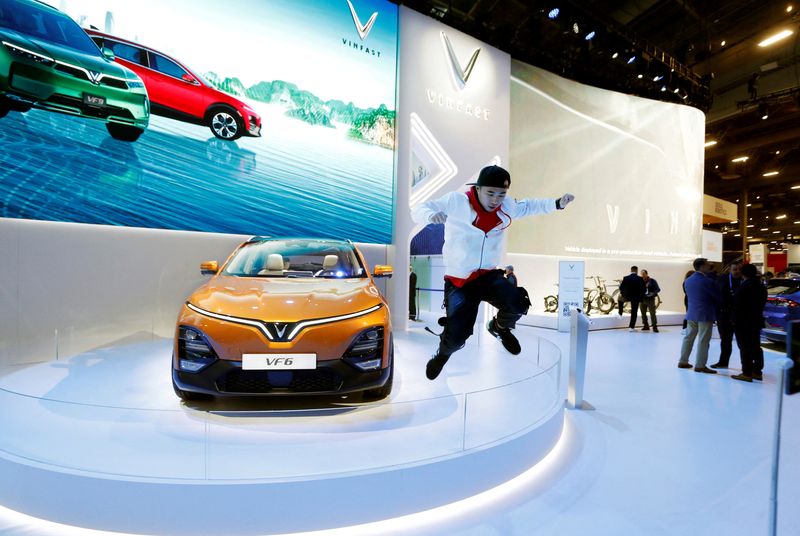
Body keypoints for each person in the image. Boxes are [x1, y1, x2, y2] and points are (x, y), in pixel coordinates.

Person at [411, 165, 575, 380]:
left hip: (487, 275)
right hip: (460, 280)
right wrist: (430, 215)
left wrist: (557, 204)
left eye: (501, 194)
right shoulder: (456, 201)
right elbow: (419, 208)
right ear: (478, 189)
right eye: (490, 193)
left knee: (518, 303)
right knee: (457, 337)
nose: (496, 199)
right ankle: (442, 355)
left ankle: (499, 327)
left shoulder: (507, 206)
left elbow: (528, 206)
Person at [678, 258, 722, 373]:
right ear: (702, 266)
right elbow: (717, 296)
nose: (709, 266)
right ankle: (700, 365)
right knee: (703, 340)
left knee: (688, 338)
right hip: (705, 314)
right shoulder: (707, 281)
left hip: (691, 313)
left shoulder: (688, 281)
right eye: (707, 265)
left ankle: (683, 361)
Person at [731, 264, 768, 382]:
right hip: (756, 320)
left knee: (745, 347)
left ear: (743, 273)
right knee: (755, 346)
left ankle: (746, 372)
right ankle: (757, 371)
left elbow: (737, 305)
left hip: (743, 322)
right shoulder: (760, 286)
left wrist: (733, 320)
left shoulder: (744, 286)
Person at [710, 262, 742, 369]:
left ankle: (747, 367)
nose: (737, 271)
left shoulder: (743, 281)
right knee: (725, 340)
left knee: (742, 342)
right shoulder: (722, 280)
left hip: (739, 315)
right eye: (735, 269)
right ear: (729, 269)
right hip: (724, 314)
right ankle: (723, 362)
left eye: (739, 269)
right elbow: (716, 296)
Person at [619, 266, 645, 331]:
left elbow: (621, 288)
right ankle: (631, 327)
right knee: (634, 312)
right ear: (636, 271)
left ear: (631, 270)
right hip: (636, 298)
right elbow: (643, 289)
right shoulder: (640, 278)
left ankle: (620, 313)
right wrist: (641, 297)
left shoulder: (626, 278)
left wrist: (623, 294)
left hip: (627, 296)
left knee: (620, 300)